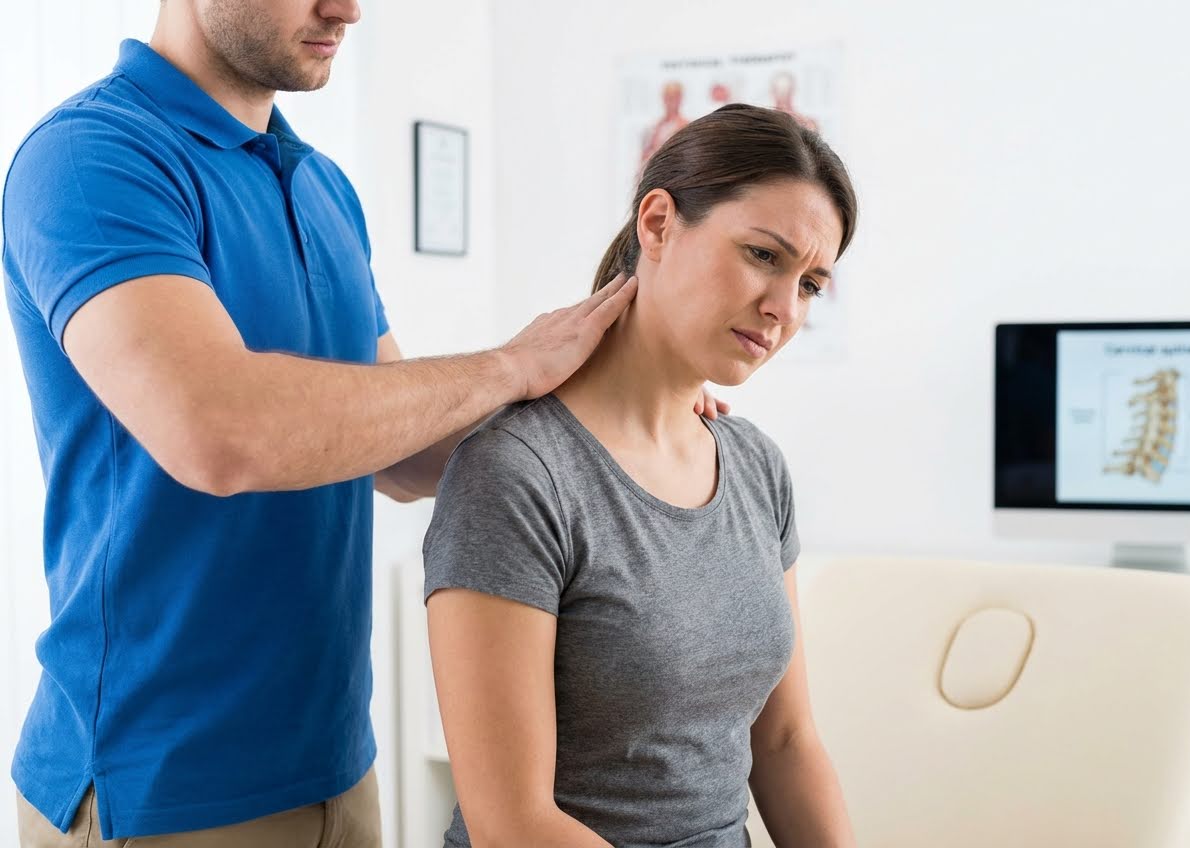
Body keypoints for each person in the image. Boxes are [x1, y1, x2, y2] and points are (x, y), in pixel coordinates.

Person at [3, 1, 727, 845]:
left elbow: (404, 456)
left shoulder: (323, 189)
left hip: (337, 769)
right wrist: (509, 365)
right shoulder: (93, 157)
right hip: (162, 786)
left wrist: (608, 403)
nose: (346, 8)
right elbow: (219, 431)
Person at [424, 103, 860, 847]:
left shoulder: (755, 466)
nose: (784, 309)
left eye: (812, 283)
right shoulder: (518, 475)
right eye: (763, 255)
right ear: (657, 224)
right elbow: (514, 824)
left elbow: (785, 744)